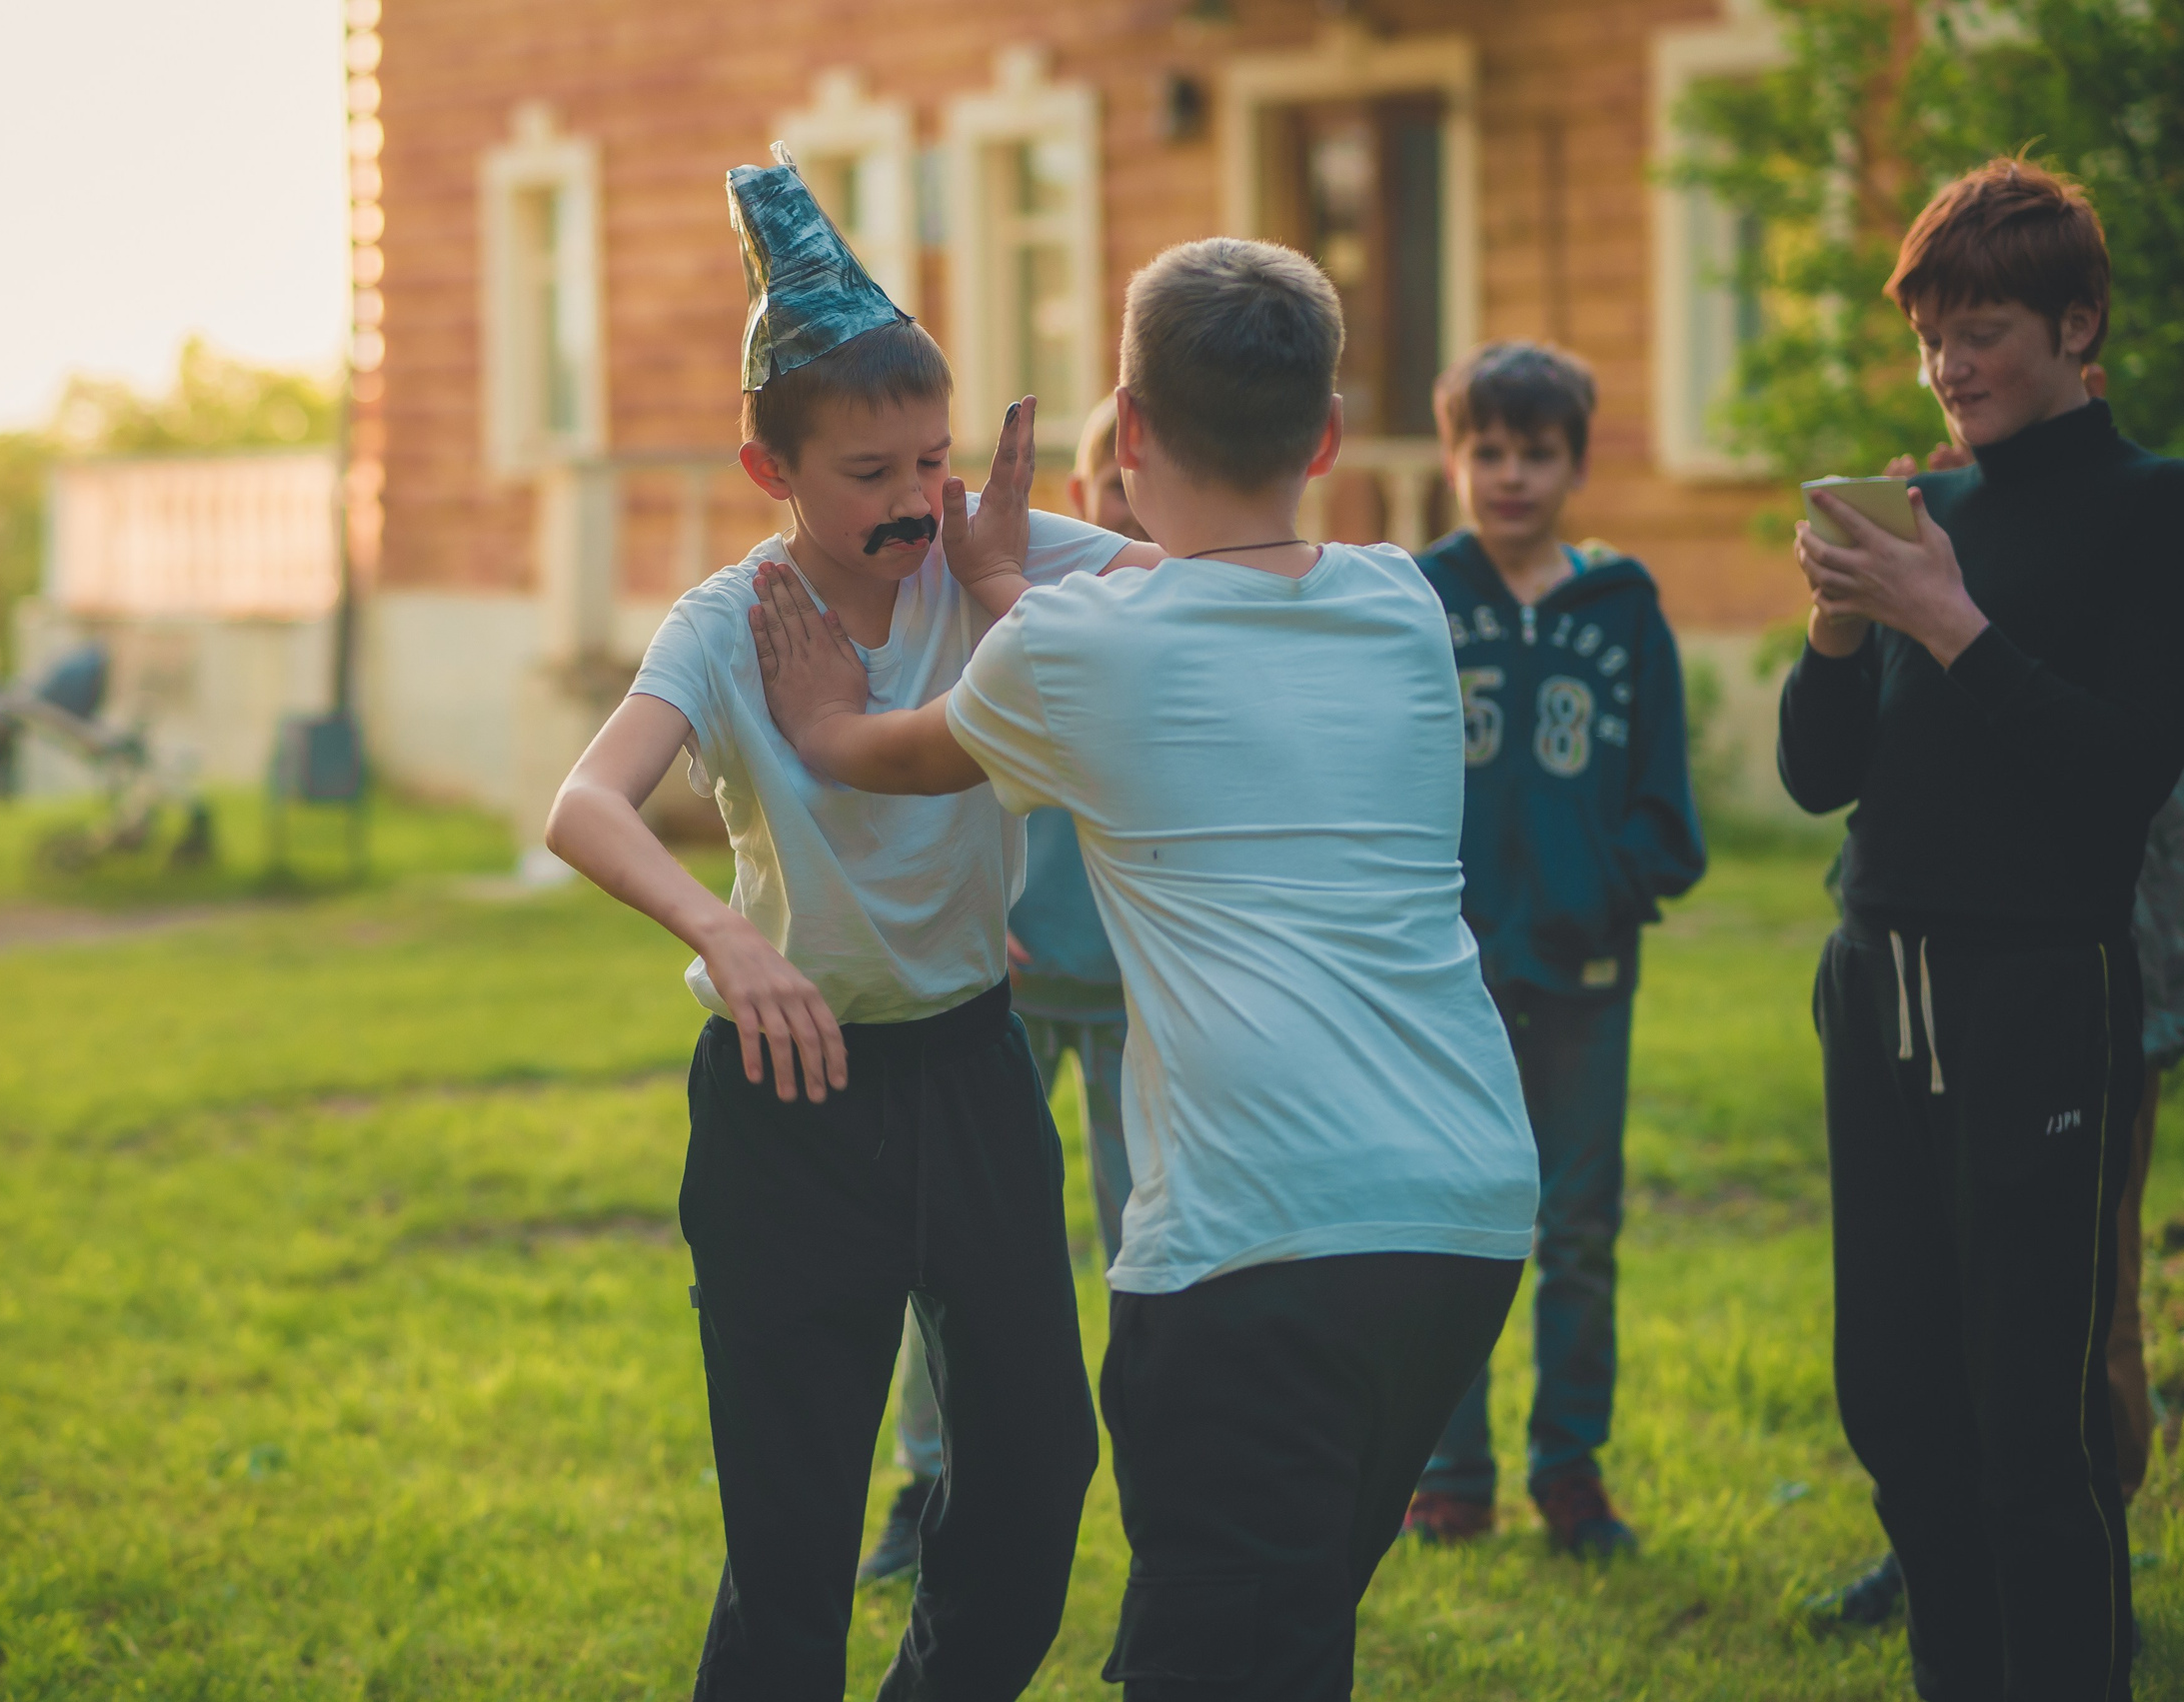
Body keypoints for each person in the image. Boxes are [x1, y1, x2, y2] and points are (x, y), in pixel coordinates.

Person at [748, 235, 1539, 1699]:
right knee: (1288, 1629)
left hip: (1258, 1250)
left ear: (1133, 430)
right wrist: (1014, 593)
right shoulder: (1403, 605)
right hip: (1463, 1216)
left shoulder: (1078, 647)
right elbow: (1174, 641)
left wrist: (817, 707)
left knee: (1221, 1661)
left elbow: (873, 751)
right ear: (1327, 436)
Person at [540, 146, 1160, 1700]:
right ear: (776, 473)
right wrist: (724, 935)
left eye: (930, 462)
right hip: (786, 1099)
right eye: (868, 475)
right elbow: (586, 804)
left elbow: (1186, 602)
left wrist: (1015, 580)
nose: (911, 505)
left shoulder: (979, 553)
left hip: (969, 1066)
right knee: (796, 1527)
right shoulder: (729, 619)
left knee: (1033, 1461)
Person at [1777, 158, 2184, 1697]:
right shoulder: (1922, 510)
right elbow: (1818, 777)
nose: (1947, 365)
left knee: (2034, 1419)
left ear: (2081, 325)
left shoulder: (2154, 511)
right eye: (1931, 335)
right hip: (1872, 980)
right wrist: (1836, 625)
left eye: (1984, 328)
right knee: (1896, 1400)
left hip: (2039, 993)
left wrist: (1949, 620)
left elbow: (2119, 774)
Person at [1399, 342, 1705, 1557]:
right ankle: (1450, 1466)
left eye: (1535, 453)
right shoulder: (1418, 596)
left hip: (1582, 975)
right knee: (1453, 1218)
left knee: (1576, 1227)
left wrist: (1605, 889)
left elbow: (1661, 792)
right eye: (1487, 450)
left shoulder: (1621, 606)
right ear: (1452, 456)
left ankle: (1568, 1465)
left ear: (1575, 462)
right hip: (1446, 982)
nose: (1509, 474)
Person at [859, 394, 1145, 1586]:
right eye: (1114, 485)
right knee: (959, 1255)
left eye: (1150, 481)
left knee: (1147, 1245)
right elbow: (947, 763)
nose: (1132, 506)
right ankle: (924, 1480)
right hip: (1014, 986)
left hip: (1138, 1000)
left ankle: (1155, 1486)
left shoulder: (1182, 635)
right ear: (1084, 500)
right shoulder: (1018, 617)